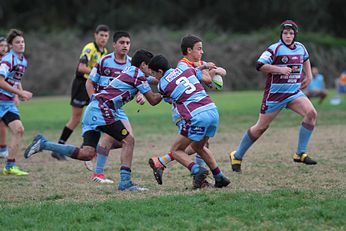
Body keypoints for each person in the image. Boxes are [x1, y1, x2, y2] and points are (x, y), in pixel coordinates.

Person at [24, 49, 163, 191]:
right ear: (143, 65)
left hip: (93, 109)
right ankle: (125, 182)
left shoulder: (132, 71)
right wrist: (166, 91)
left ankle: (44, 144)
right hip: (102, 110)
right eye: (149, 67)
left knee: (87, 154)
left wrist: (166, 79)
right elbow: (152, 100)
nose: (151, 70)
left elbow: (152, 79)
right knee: (129, 140)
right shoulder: (137, 75)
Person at [229, 20, 317, 173]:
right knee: (260, 128)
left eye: (291, 33)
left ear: (295, 35)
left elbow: (306, 59)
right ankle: (237, 155)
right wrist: (280, 69)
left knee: (311, 113)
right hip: (275, 96)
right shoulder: (274, 49)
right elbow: (260, 65)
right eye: (285, 33)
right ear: (281, 34)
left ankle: (300, 153)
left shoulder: (301, 47)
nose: (288, 36)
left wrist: (309, 76)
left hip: (294, 93)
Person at [148, 35, 226, 186]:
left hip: (194, 114)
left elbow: (167, 98)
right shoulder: (185, 69)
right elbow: (204, 78)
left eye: (153, 74)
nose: (153, 77)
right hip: (212, 110)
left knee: (177, 150)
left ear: (159, 71)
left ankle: (196, 170)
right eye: (199, 48)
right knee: (199, 146)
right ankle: (220, 178)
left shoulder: (162, 85)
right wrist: (206, 68)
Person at [51, 25, 110, 161]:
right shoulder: (89, 48)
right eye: (101, 35)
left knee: (96, 115)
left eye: (106, 36)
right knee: (76, 118)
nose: (103, 38)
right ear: (95, 35)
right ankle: (59, 147)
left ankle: (87, 147)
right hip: (81, 85)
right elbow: (81, 67)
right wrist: (98, 72)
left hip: (92, 87)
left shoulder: (105, 51)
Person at [85, 31, 132, 183]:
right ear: (114, 45)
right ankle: (98, 174)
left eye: (127, 43)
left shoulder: (131, 64)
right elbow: (89, 82)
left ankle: (94, 151)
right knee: (114, 137)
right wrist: (94, 100)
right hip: (103, 107)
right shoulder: (104, 61)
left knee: (128, 139)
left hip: (118, 109)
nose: (125, 45)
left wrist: (138, 95)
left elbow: (136, 83)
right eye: (122, 42)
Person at [0, 29, 33, 175]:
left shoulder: (23, 61)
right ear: (11, 46)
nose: (21, 44)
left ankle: (9, 166)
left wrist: (19, 92)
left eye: (22, 41)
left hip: (7, 102)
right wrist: (19, 93)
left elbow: (15, 80)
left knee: (18, 130)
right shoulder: (8, 59)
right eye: (17, 42)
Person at [0, 36, 9, 158]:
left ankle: (2, 149)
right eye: (1, 45)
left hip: (5, 97)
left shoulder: (8, 60)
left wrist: (18, 93)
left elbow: (15, 78)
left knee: (2, 123)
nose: (3, 48)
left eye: (6, 46)